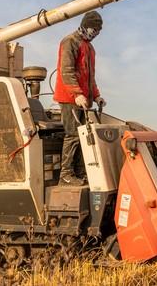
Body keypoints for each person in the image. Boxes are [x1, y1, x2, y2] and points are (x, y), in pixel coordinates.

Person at [53, 11, 106, 186]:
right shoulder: (70, 42)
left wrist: (96, 96)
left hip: (84, 100)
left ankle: (80, 172)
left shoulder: (90, 49)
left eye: (98, 31)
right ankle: (66, 175)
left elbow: (90, 77)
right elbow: (66, 70)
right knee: (73, 135)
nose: (95, 34)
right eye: (93, 29)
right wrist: (76, 93)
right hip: (70, 98)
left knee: (83, 137)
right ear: (85, 25)